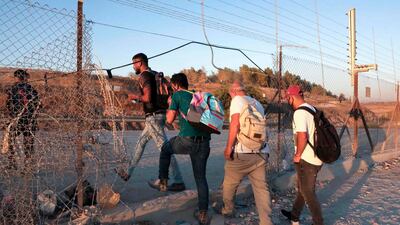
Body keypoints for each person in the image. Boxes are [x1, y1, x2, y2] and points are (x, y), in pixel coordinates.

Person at [116, 53, 185, 192]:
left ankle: (178, 181)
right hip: (157, 115)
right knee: (140, 144)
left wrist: (134, 97)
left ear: (140, 63)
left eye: (134, 63)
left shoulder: (144, 76)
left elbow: (147, 97)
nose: (133, 66)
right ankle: (128, 173)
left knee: (165, 150)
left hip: (154, 117)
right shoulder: (154, 74)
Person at [154, 73, 211, 225]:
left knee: (166, 149)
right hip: (204, 143)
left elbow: (169, 120)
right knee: (201, 179)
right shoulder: (197, 96)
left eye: (172, 86)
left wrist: (170, 104)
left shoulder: (178, 95)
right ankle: (203, 214)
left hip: (187, 141)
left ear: (176, 85)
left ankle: (163, 181)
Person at [219, 81, 272, 225]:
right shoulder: (257, 103)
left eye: (230, 95)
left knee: (229, 183)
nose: (231, 98)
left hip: (242, 152)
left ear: (234, 91)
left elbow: (235, 124)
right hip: (261, 152)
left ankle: (228, 209)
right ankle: (266, 221)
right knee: (261, 188)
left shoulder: (237, 100)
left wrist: (229, 148)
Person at [281, 85, 324, 225]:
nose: (288, 101)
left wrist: (298, 154)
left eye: (288, 98)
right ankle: (294, 215)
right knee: (303, 189)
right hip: (317, 155)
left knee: (308, 192)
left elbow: (302, 136)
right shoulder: (311, 109)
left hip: (307, 159)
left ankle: (318, 222)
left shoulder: (300, 113)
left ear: (292, 97)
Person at [5, 69, 40, 170]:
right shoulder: (30, 89)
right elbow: (38, 104)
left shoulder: (13, 89)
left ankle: (14, 162)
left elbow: (8, 104)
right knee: (27, 142)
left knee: (12, 139)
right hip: (27, 120)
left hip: (19, 119)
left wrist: (12, 116)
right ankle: (25, 164)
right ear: (25, 77)